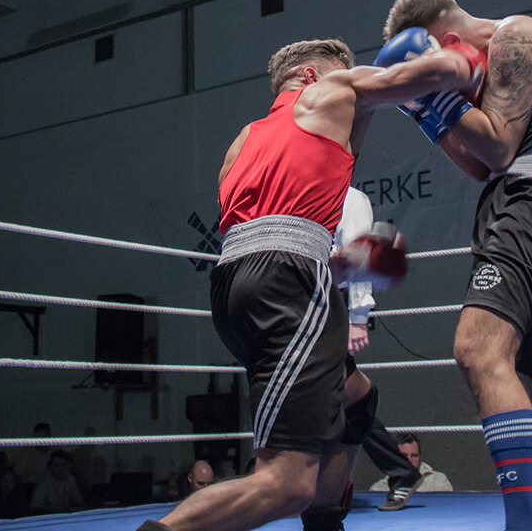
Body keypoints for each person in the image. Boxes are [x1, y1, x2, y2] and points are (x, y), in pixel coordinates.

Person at [136, 35, 483, 531]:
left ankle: (326, 524)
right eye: (346, 71)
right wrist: (469, 57)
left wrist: (341, 265)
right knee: (286, 484)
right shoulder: (332, 89)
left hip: (234, 290)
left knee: (358, 398)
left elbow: (263, 232)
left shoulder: (244, 140)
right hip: (288, 288)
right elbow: (419, 76)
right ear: (312, 75)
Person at [382, 0, 532, 530]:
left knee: (476, 348)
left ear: (448, 42)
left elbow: (498, 148)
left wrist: (434, 93)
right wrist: (422, 109)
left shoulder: (513, 36)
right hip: (517, 203)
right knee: (513, 386)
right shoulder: (486, 78)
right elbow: (479, 167)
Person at [334, 187, 425, 511]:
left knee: (343, 393)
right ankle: (399, 473)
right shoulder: (313, 192)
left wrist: (358, 318)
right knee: (338, 396)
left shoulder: (351, 198)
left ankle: (399, 472)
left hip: (336, 304)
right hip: (317, 301)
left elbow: (362, 256)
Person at [370, 433, 453, 493]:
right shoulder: (381, 488)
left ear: (420, 457)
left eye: (414, 455)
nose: (409, 460)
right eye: (404, 456)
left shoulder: (438, 480)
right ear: (395, 457)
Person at [30, 449, 85, 514]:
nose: (60, 468)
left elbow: (78, 503)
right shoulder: (44, 481)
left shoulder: (70, 479)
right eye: (56, 465)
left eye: (63, 465)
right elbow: (35, 507)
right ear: (51, 465)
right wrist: (58, 510)